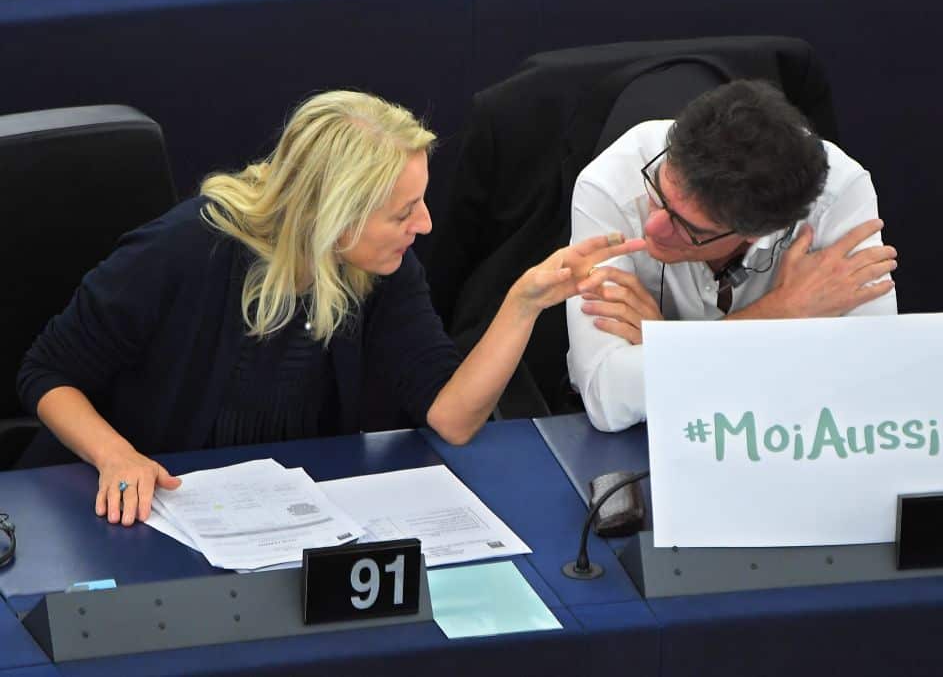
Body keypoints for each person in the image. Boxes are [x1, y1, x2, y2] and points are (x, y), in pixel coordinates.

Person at [16, 90, 645, 526]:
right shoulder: (184, 249)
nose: (423, 225)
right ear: (331, 215)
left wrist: (522, 304)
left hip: (272, 519)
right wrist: (115, 454)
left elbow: (451, 417)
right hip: (136, 513)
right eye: (403, 212)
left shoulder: (384, 270)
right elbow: (46, 373)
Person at [567, 80, 898, 432]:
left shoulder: (839, 194)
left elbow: (869, 377)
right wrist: (783, 312)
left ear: (758, 232)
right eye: (657, 193)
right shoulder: (609, 182)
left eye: (689, 227)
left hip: (789, 432)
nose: (653, 227)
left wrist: (666, 350)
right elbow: (608, 397)